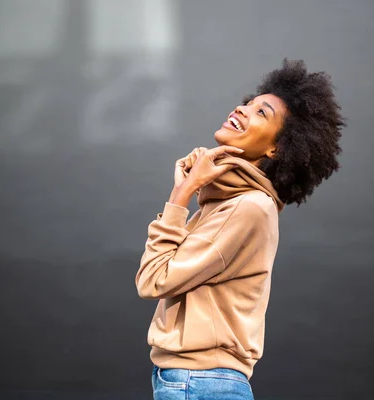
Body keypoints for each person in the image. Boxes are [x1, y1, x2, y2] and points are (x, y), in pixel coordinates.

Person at [135, 58, 345, 399]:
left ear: (276, 148)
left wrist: (181, 194)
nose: (242, 109)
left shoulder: (247, 208)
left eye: (262, 113)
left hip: (199, 382)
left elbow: (153, 280)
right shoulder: (226, 202)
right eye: (248, 103)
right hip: (196, 381)